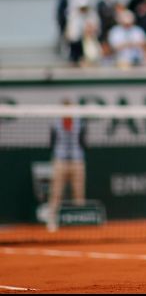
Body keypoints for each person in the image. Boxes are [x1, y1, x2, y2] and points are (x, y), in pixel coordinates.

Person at [46, 98, 87, 232]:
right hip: (60, 161)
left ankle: (79, 221)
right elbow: (52, 141)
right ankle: (52, 221)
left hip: (77, 161)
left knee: (79, 193)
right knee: (56, 193)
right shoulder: (55, 122)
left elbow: (83, 140)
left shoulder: (79, 122)